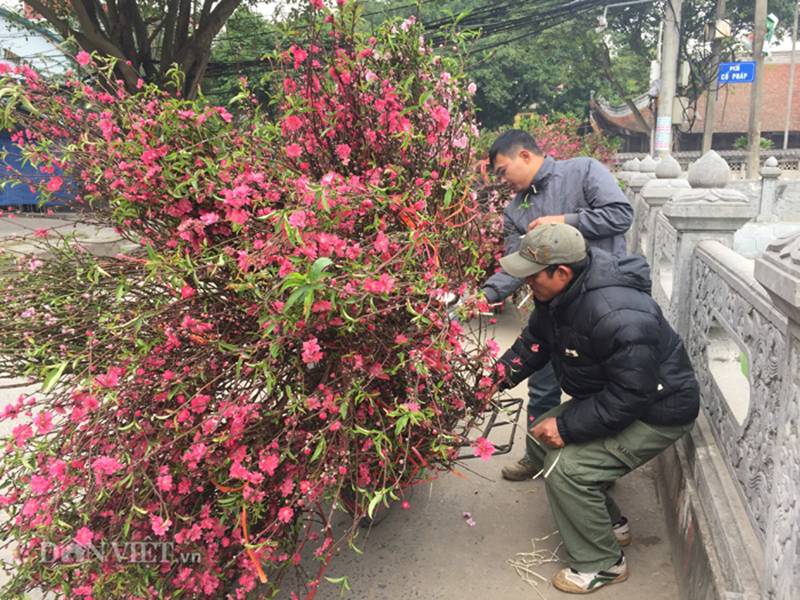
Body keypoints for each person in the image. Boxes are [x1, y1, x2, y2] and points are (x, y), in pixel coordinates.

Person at [492, 223, 699, 594]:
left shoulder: (616, 312)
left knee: (568, 469)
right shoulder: (555, 300)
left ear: (562, 272)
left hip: (658, 410)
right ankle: (610, 525)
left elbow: (632, 394)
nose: (527, 284)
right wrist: (490, 380)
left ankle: (602, 564)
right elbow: (533, 346)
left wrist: (568, 429)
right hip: (618, 397)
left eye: (532, 275)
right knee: (541, 439)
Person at [480, 129, 634, 481]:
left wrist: (567, 220)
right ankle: (538, 457)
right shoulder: (516, 209)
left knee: (601, 387)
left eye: (503, 171)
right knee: (543, 381)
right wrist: (486, 294)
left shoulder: (583, 171)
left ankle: (598, 471)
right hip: (553, 307)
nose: (503, 181)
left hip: (602, 302)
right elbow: (515, 262)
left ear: (524, 156)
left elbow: (621, 215)